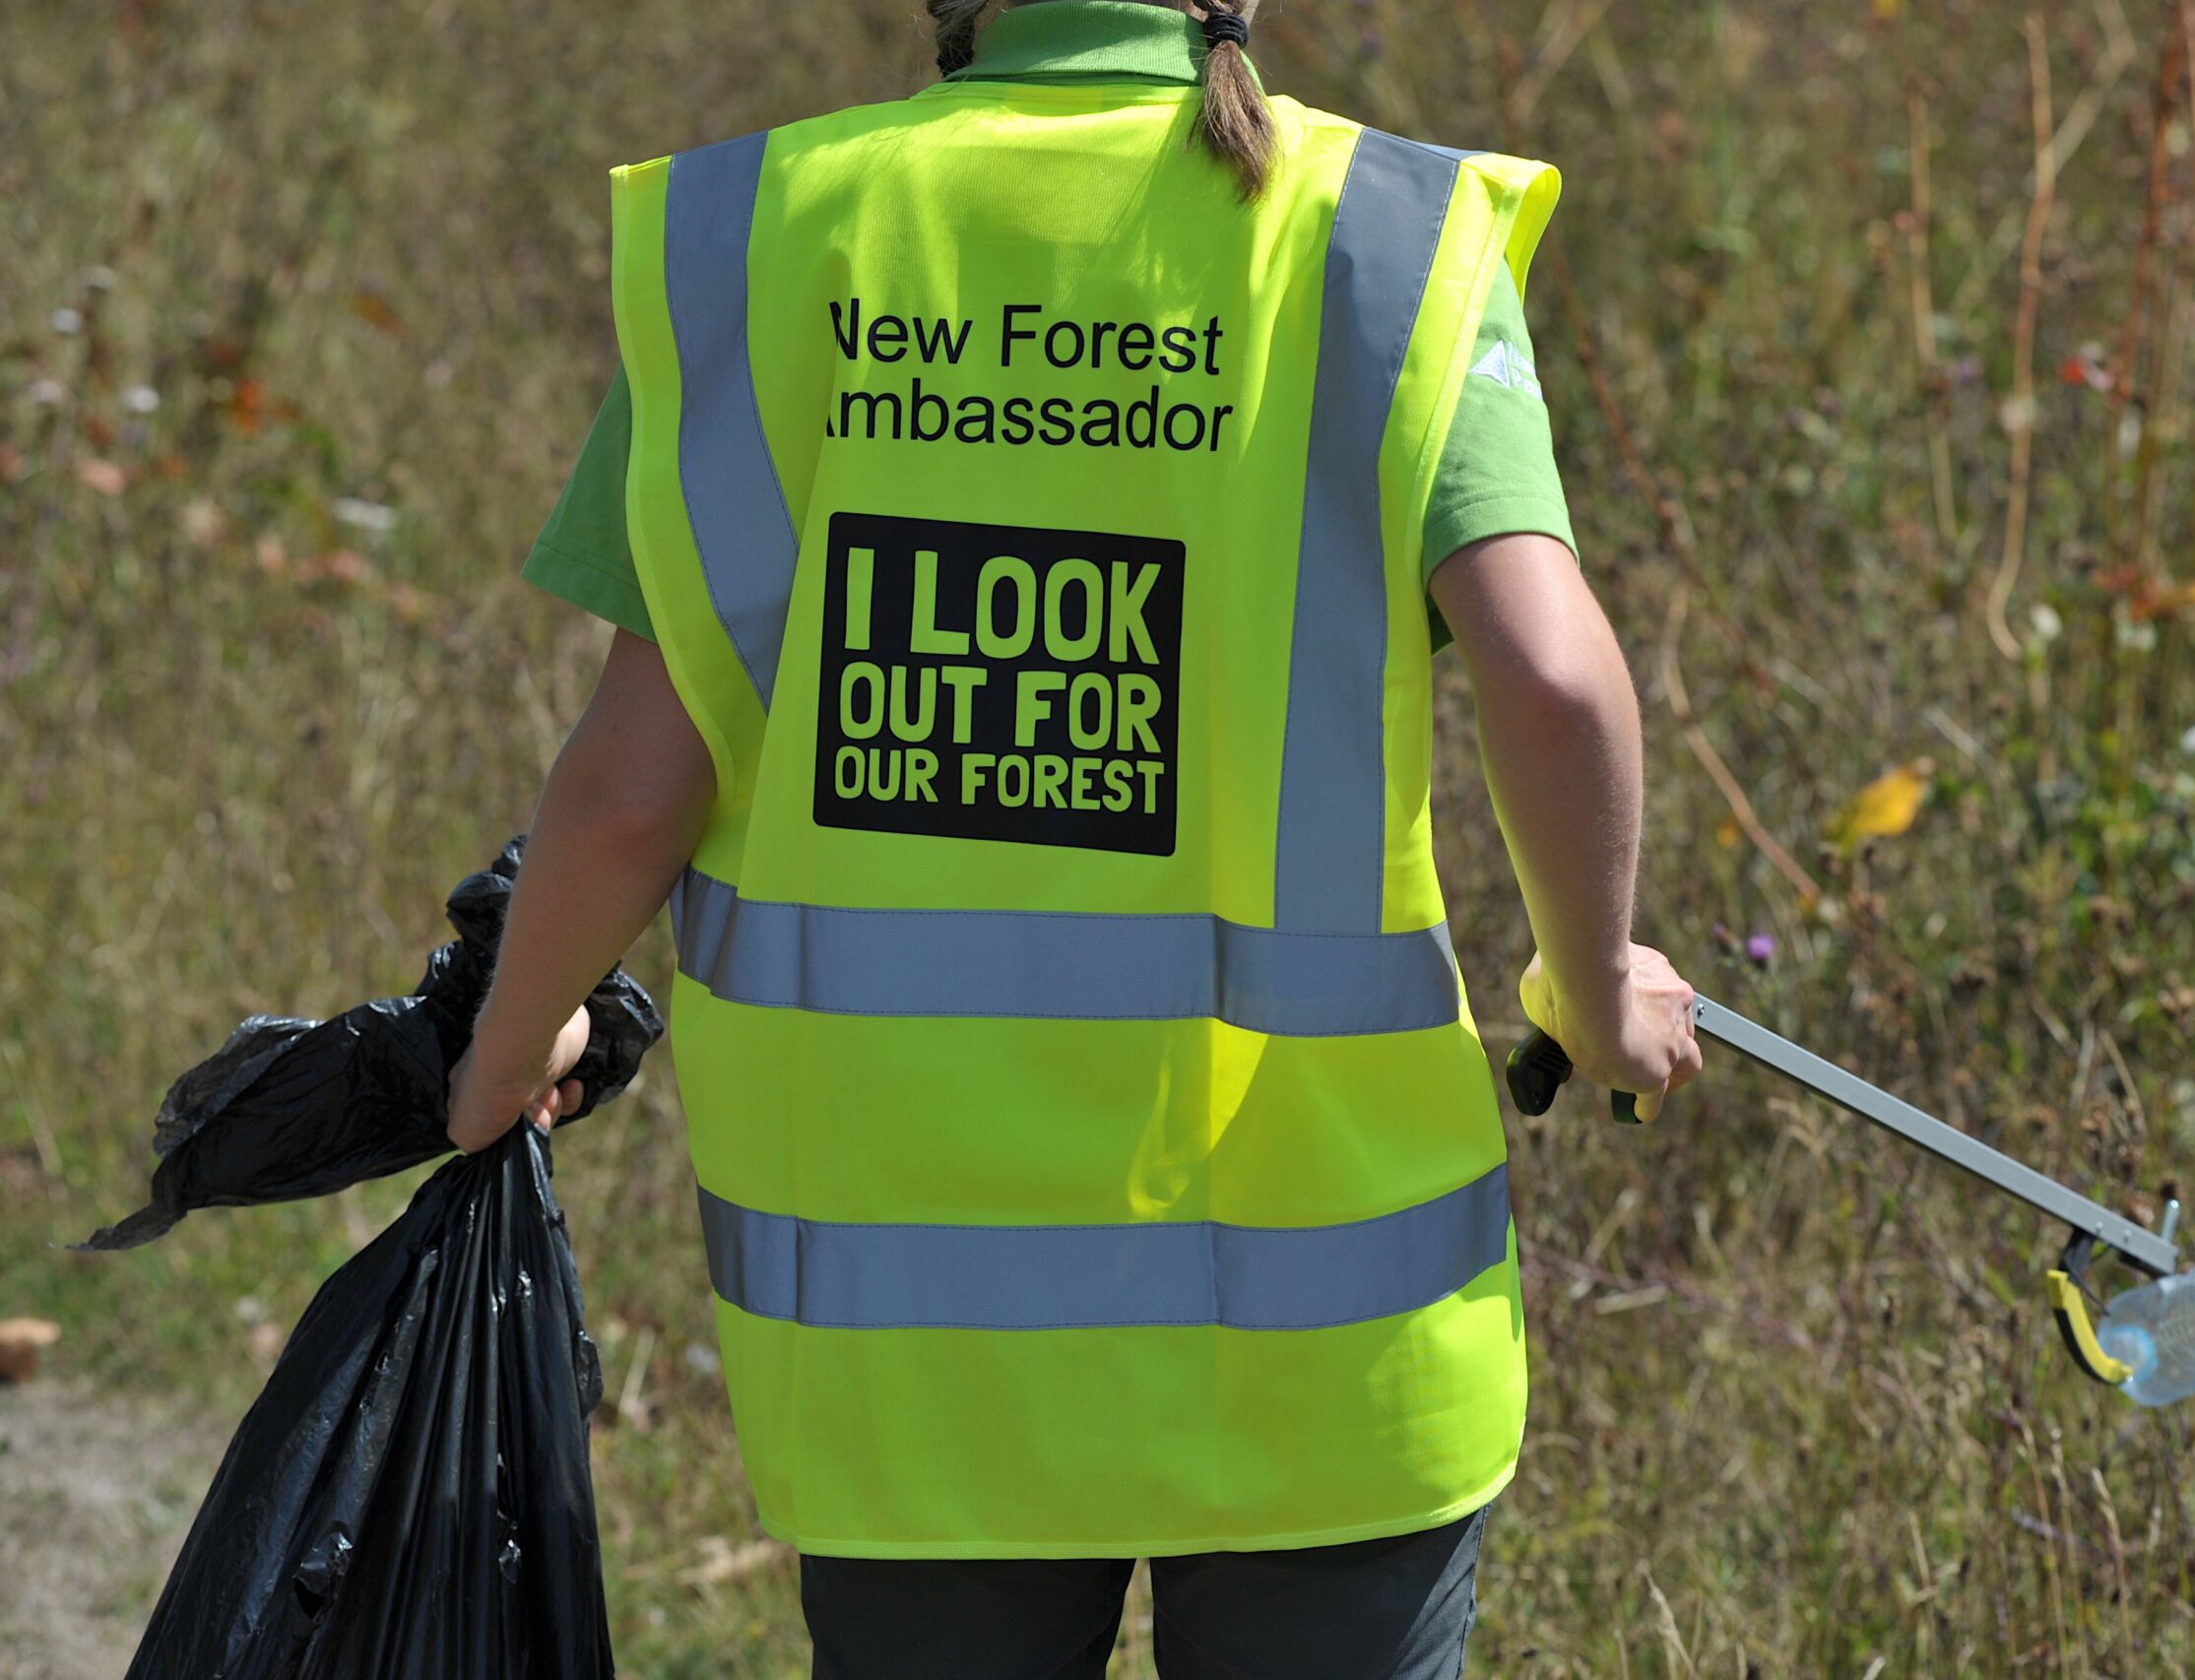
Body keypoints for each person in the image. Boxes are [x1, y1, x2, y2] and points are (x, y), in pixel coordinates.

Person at [446, 0, 1702, 1671]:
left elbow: (630, 786)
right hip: (1329, 1344)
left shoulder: (777, 229)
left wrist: (501, 1056)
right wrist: (1597, 980)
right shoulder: (1381, 235)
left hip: (913, 1365)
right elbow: (1552, 676)